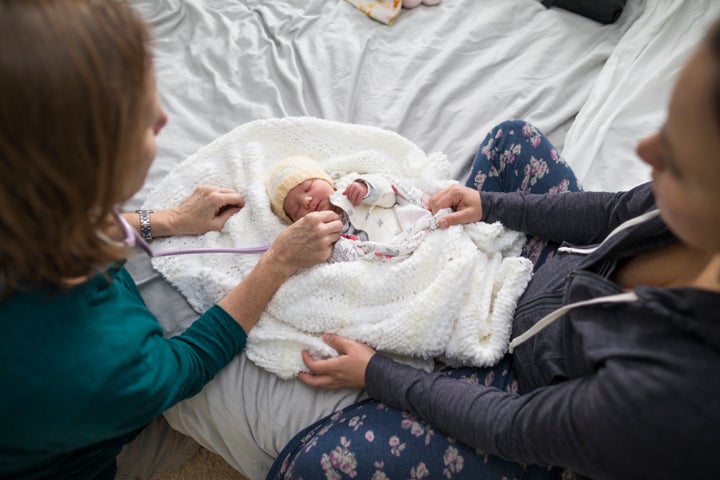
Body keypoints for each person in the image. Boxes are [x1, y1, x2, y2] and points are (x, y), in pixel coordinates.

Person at [267, 20, 720, 480]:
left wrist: (377, 373)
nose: (645, 150)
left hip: (523, 392)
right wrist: (489, 205)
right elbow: (613, 212)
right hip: (537, 269)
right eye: (666, 126)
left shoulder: (673, 395)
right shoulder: (684, 215)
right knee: (512, 138)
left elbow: (511, 426)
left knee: (310, 466)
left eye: (677, 160)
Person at [0, 1, 343, 479]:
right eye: (142, 119)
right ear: (84, 169)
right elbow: (184, 364)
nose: (163, 118)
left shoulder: (23, 201)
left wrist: (166, 220)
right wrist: (278, 263)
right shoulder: (99, 361)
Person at [267, 155, 440, 262]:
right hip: (387, 262)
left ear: (326, 180)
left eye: (308, 188)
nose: (307, 201)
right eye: (297, 209)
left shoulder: (348, 187)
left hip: (412, 230)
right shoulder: (322, 236)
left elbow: (389, 195)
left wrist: (367, 189)